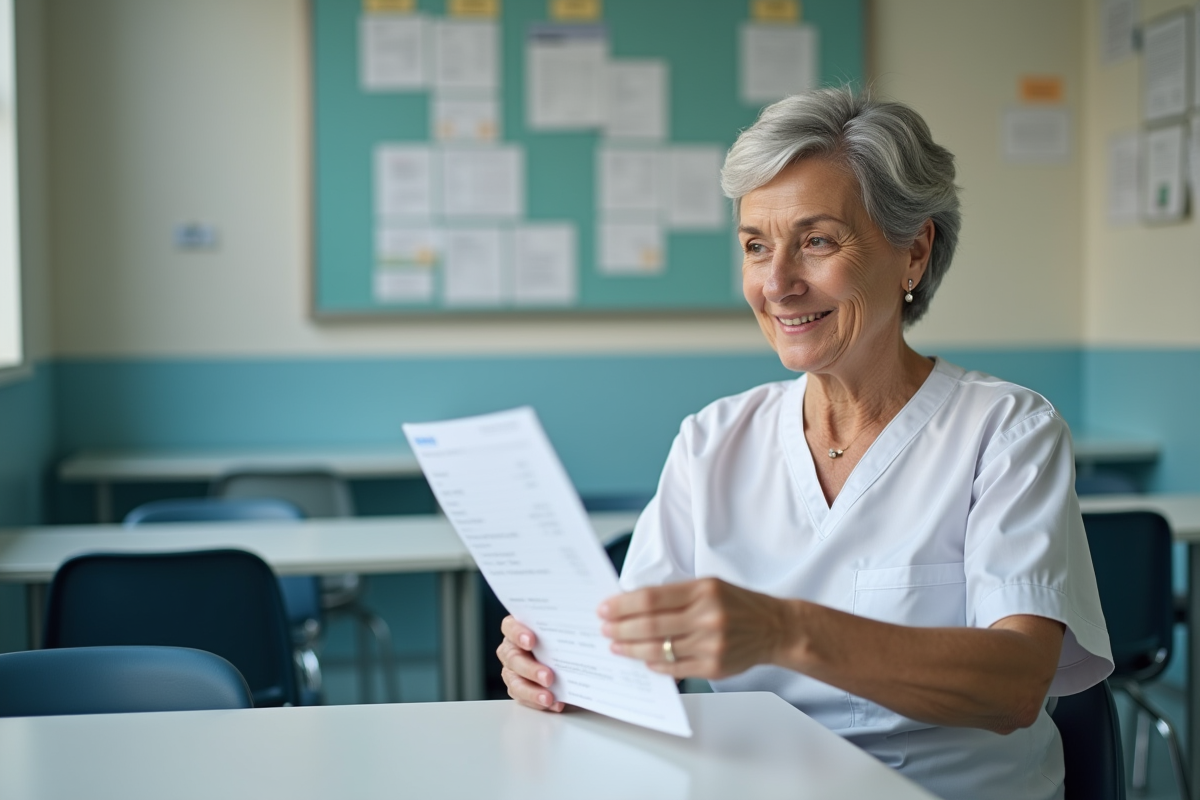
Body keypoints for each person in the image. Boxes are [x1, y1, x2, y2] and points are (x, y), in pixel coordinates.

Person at [497, 88, 1112, 800]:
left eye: (816, 241)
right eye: (756, 246)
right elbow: (635, 656)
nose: (778, 284)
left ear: (914, 252)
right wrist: (561, 669)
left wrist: (784, 631)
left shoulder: (1006, 430)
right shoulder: (712, 440)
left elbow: (1015, 685)